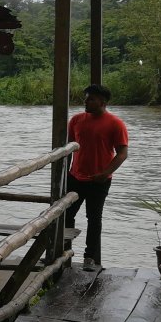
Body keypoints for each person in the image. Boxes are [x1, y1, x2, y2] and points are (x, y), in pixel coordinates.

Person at [65, 83, 129, 271]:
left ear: (102, 102)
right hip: (75, 177)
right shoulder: (76, 120)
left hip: (99, 180)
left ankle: (90, 257)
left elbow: (122, 153)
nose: (85, 101)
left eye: (90, 98)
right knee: (66, 214)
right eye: (86, 97)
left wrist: (106, 173)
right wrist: (65, 173)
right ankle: (63, 252)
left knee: (94, 218)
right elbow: (68, 148)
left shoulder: (115, 123)